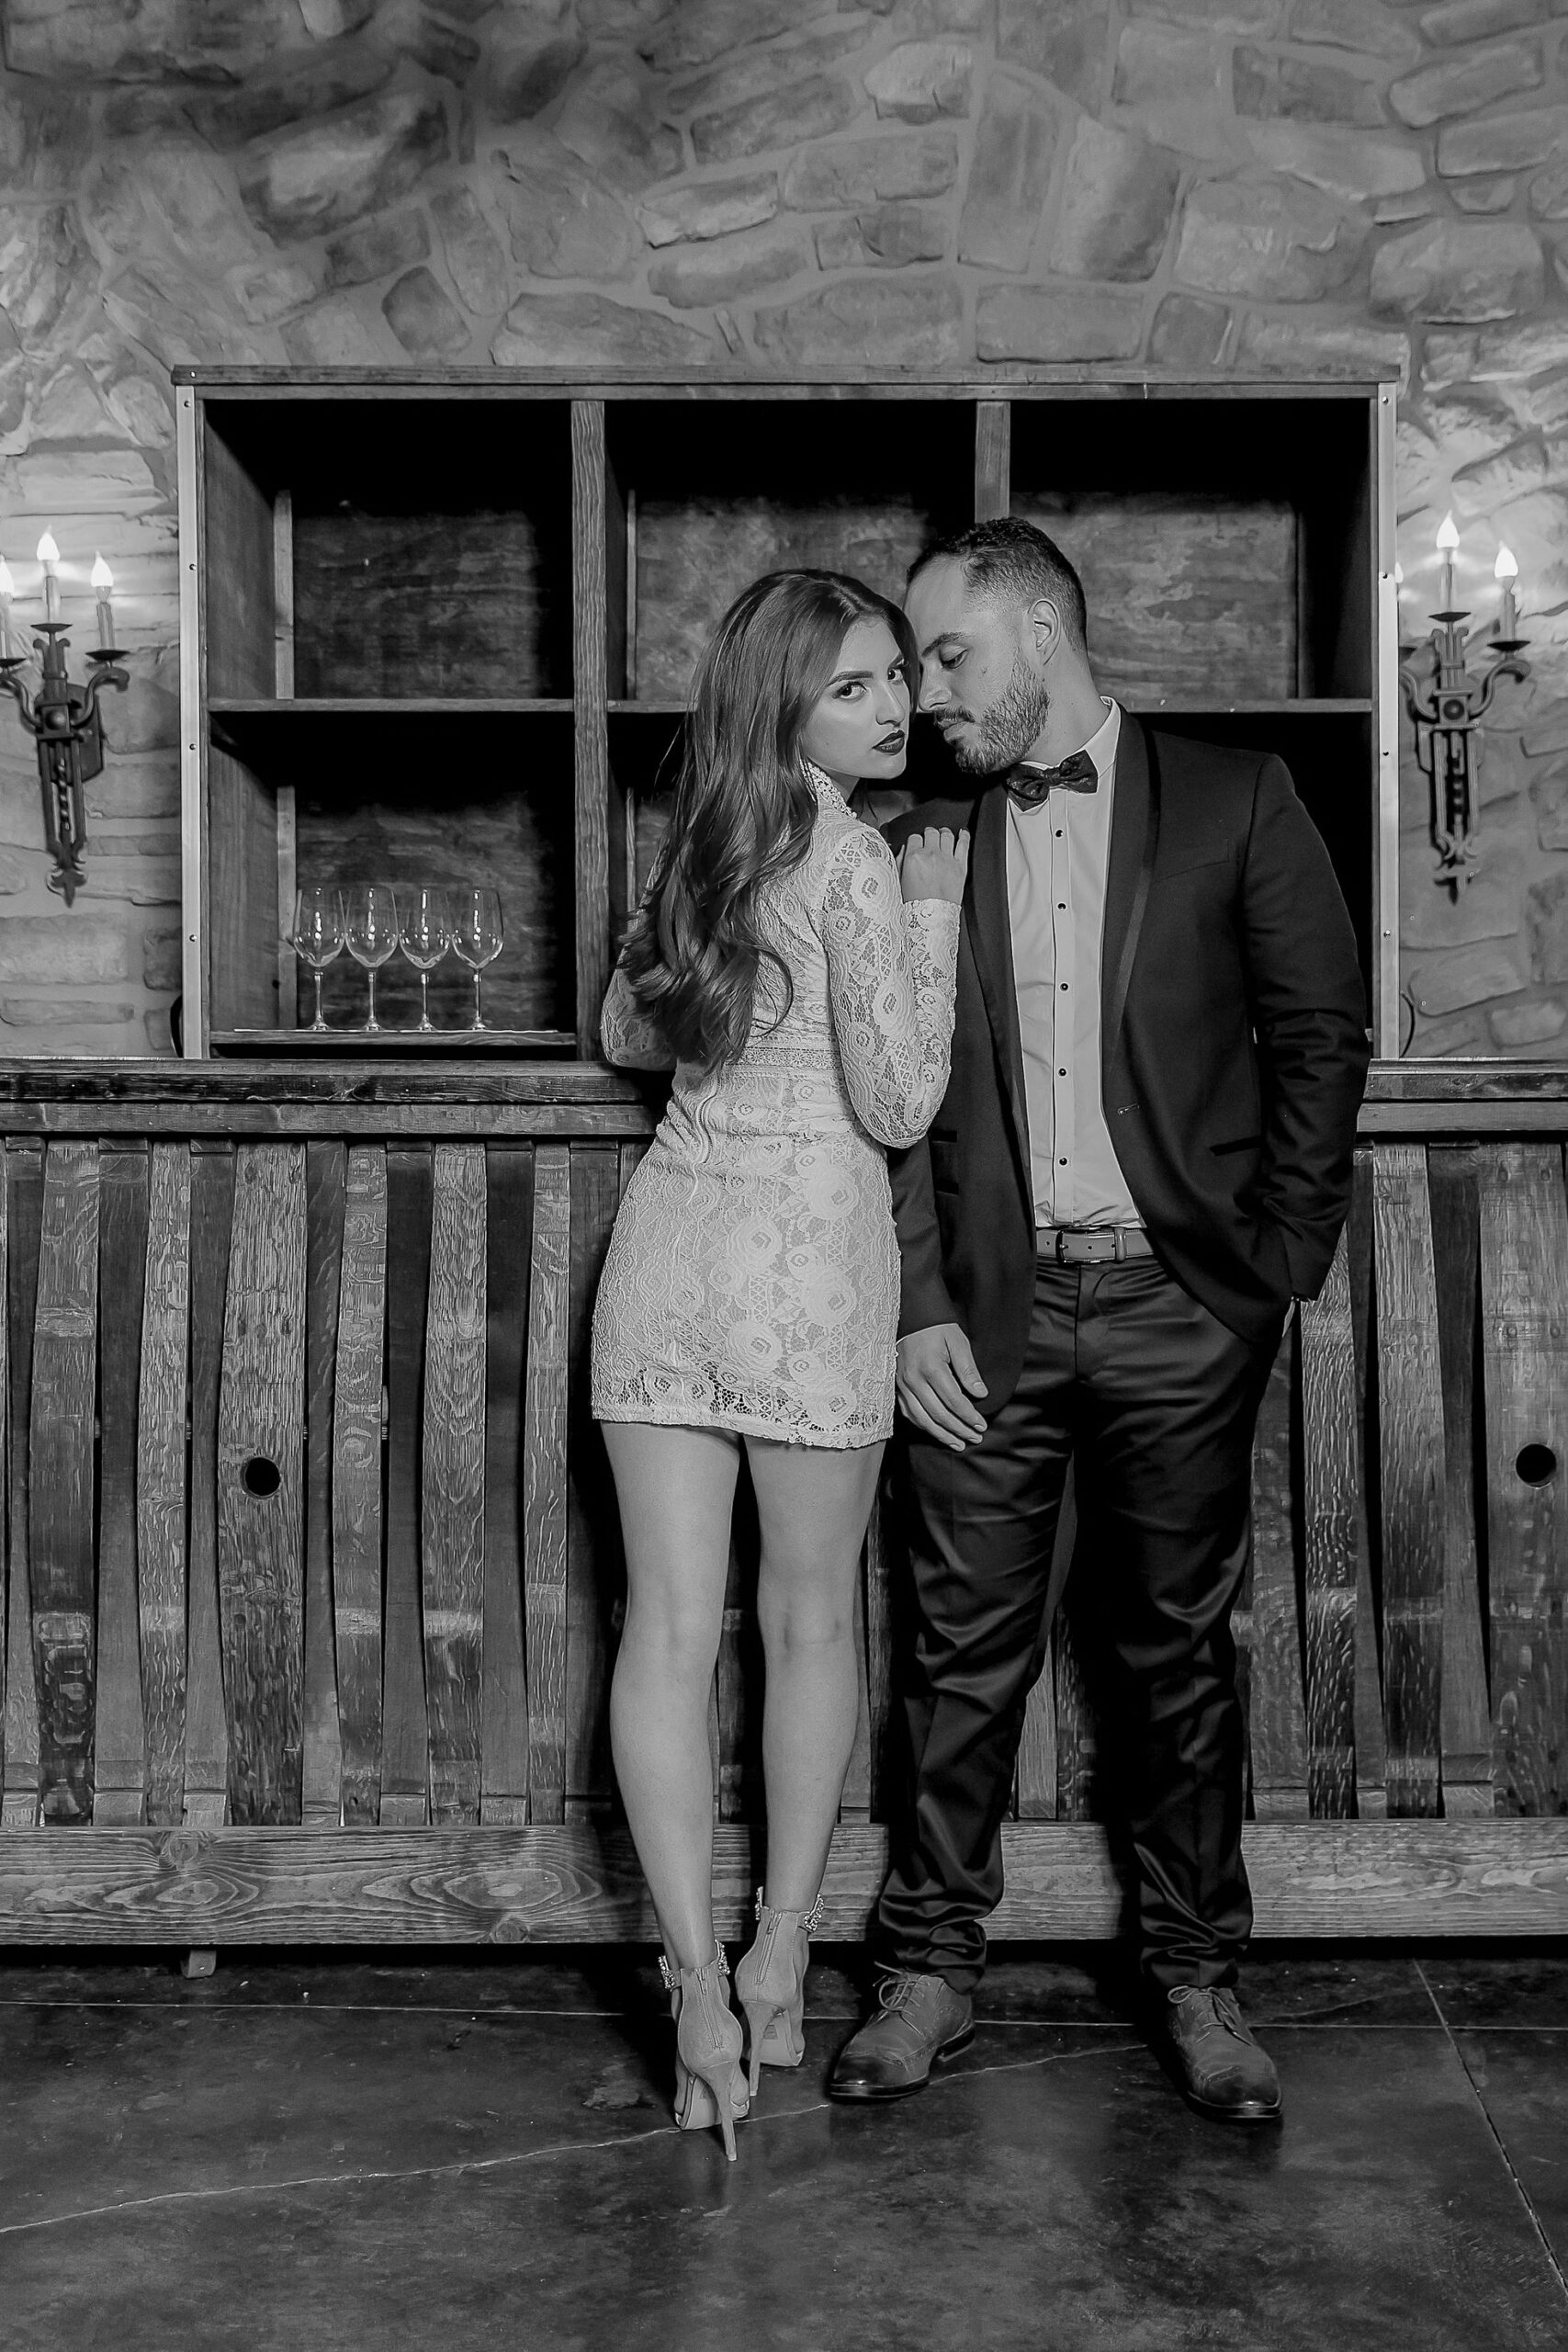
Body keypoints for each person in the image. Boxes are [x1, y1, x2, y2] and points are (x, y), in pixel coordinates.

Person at [827, 518, 1371, 2125]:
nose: (927, 695)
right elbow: (889, 1103)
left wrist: (1271, 1273)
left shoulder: (1239, 796)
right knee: (956, 1658)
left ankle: (1198, 1977)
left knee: (1176, 1660)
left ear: (1043, 634)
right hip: (981, 1322)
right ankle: (928, 1972)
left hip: (1181, 1306)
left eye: (948, 655)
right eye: (915, 665)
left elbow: (1319, 1035)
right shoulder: (916, 830)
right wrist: (918, 1304)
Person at [592, 568, 968, 2158]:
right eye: (855, 687)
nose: (895, 709)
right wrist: (932, 917)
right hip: (808, 1261)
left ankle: (688, 1982)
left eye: (897, 678)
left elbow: (626, 1039)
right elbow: (900, 1102)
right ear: (786, 707)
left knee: (669, 1629)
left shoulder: (699, 846)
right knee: (810, 1621)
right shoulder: (864, 859)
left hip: (668, 1259)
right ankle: (777, 1954)